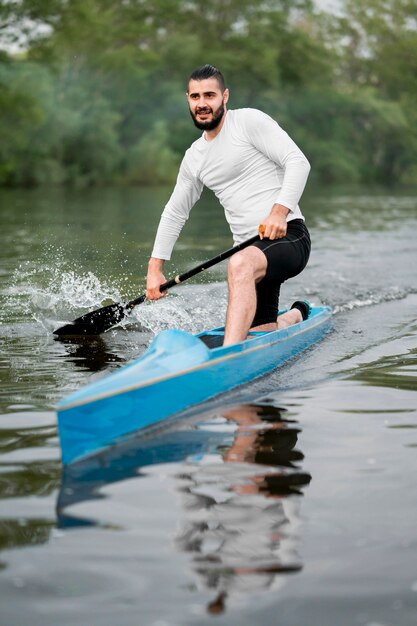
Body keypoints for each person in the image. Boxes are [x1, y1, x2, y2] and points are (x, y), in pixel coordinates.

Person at [146, 64, 312, 345]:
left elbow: (298, 162)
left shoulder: (248, 122)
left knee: (238, 265)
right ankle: (295, 316)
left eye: (209, 95)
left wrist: (278, 212)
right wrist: (155, 267)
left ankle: (229, 355)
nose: (202, 104)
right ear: (187, 98)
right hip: (249, 251)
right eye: (195, 97)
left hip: (288, 237)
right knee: (261, 333)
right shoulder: (194, 157)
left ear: (225, 97)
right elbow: (175, 212)